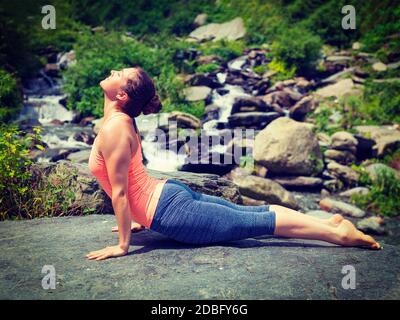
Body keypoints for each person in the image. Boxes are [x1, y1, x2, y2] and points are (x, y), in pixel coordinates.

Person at [86, 66, 381, 261]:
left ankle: (337, 234)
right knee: (251, 213)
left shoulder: (115, 127)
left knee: (257, 221)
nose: (113, 71)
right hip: (168, 197)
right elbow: (128, 178)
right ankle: (326, 222)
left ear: (121, 95)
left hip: (172, 211)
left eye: (120, 73)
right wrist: (136, 220)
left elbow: (121, 192)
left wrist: (123, 245)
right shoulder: (119, 122)